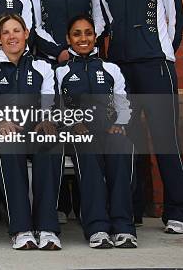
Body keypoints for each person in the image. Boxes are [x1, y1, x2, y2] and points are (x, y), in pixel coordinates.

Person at [100, 0, 183, 234]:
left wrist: (162, 52)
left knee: (165, 137)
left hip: (156, 68)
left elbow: (175, 19)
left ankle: (179, 211)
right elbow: (104, 32)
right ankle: (133, 210)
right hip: (123, 74)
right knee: (128, 139)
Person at [0, 14, 62, 250]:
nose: (12, 36)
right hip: (0, 131)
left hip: (35, 130)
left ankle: (47, 228)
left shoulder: (43, 66)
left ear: (26, 34)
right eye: (6, 33)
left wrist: (47, 121)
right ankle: (21, 229)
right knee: (9, 145)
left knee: (51, 144)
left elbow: (50, 103)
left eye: (16, 31)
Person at [56, 15, 137, 249]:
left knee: (123, 148)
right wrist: (73, 124)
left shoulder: (111, 68)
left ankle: (123, 226)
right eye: (77, 34)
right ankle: (97, 227)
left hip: (110, 130)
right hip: (78, 134)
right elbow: (56, 106)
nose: (84, 38)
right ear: (68, 39)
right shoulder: (60, 71)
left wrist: (120, 124)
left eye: (88, 33)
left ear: (95, 37)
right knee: (88, 152)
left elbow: (124, 102)